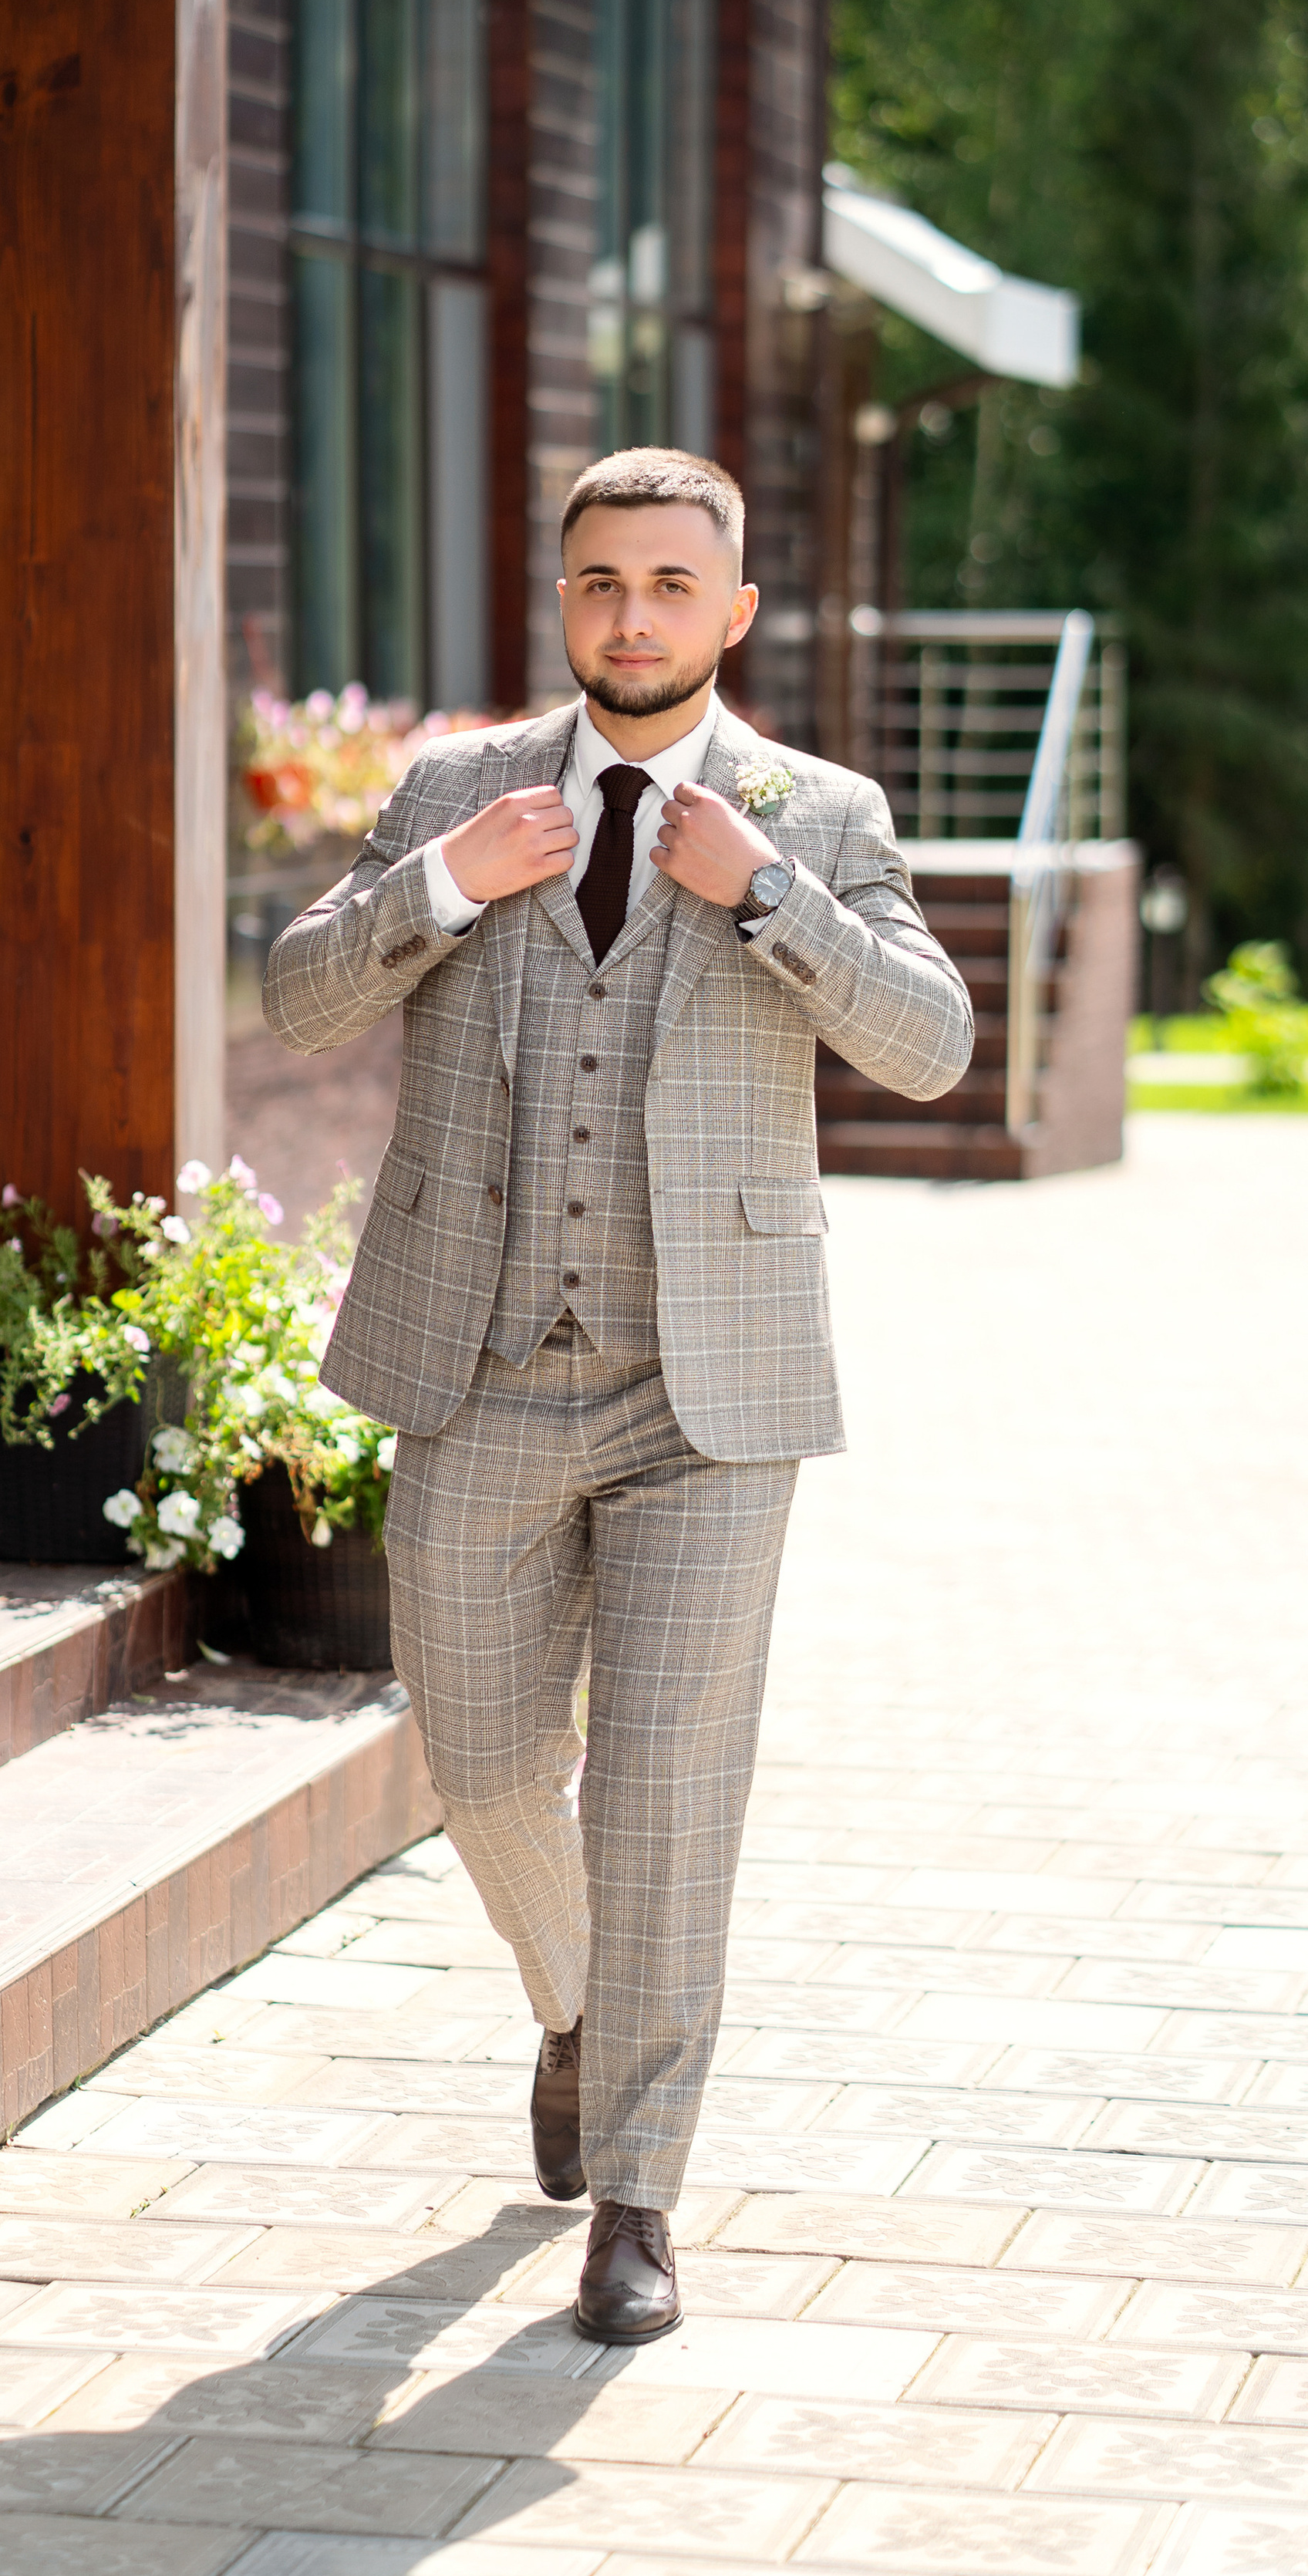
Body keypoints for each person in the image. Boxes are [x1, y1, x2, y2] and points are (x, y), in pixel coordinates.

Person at [263, 447, 973, 2342]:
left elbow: (926, 1043)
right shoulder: (450, 789)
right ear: (560, 596)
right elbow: (298, 997)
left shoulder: (816, 812)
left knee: (664, 1789)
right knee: (481, 1763)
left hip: (705, 1389)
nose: (632, 614)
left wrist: (768, 897)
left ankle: (638, 2195)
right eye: (600, 580)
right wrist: (441, 884)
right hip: (475, 1364)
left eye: (671, 583)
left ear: (730, 610)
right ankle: (578, 2007)